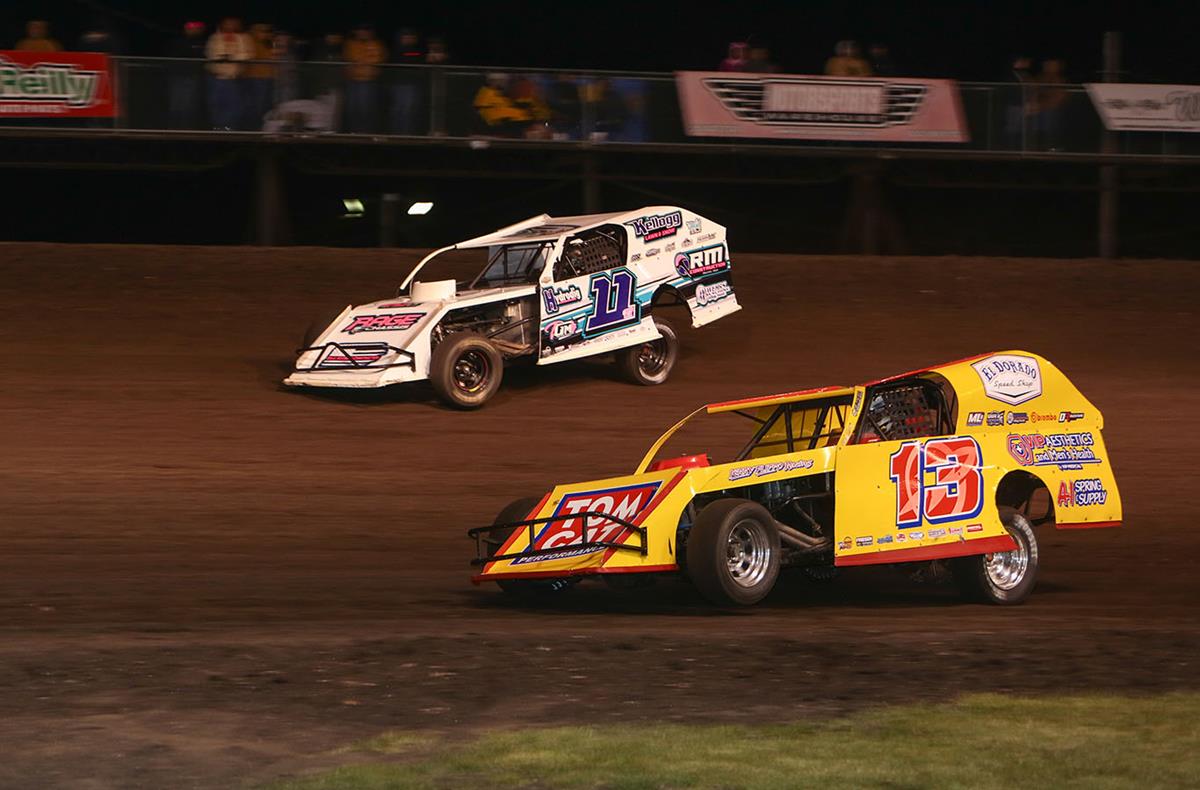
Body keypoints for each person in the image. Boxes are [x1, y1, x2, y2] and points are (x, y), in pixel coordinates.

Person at [205, 16, 253, 130]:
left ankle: (230, 128)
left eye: (233, 23)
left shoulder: (244, 38)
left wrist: (231, 57)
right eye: (228, 23)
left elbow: (247, 54)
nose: (230, 25)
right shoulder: (215, 38)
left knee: (235, 105)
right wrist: (228, 56)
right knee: (216, 104)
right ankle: (218, 127)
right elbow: (212, 54)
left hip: (235, 79)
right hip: (216, 78)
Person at [343, 24, 387, 133]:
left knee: (366, 108)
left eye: (365, 30)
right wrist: (356, 63)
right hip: (352, 80)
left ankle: (366, 132)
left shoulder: (376, 44)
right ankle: (354, 132)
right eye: (360, 30)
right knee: (352, 107)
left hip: (368, 80)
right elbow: (348, 57)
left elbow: (378, 59)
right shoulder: (350, 44)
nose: (363, 33)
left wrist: (361, 63)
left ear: (371, 32)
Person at [168, 21, 208, 129]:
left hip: (194, 76)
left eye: (196, 28)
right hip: (177, 76)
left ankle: (187, 127)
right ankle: (174, 127)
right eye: (190, 28)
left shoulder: (203, 43)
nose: (193, 30)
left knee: (190, 103)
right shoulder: (177, 42)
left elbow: (203, 57)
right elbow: (173, 56)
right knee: (176, 103)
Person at [389, 28, 424, 135]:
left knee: (409, 110)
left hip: (412, 85)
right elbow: (395, 61)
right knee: (397, 109)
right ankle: (396, 133)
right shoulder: (395, 50)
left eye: (410, 37)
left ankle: (407, 133)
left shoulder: (417, 51)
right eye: (406, 37)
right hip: (398, 84)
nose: (408, 39)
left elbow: (417, 61)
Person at [243, 23, 276, 130]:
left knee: (266, 105)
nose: (265, 34)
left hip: (269, 78)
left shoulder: (270, 43)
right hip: (256, 78)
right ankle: (253, 128)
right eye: (262, 31)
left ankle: (263, 128)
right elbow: (251, 56)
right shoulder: (250, 41)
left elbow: (273, 58)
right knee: (256, 105)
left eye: (267, 31)